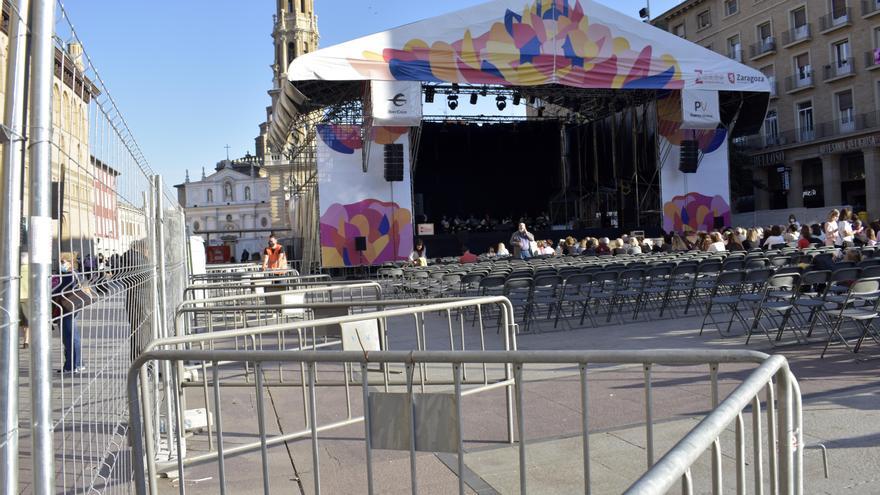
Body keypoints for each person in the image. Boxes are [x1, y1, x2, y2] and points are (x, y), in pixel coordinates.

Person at [52, 257, 82, 373]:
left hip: (66, 308)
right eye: (60, 262)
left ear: (71, 262)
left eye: (63, 262)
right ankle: (78, 363)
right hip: (73, 306)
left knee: (69, 337)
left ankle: (71, 365)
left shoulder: (68, 275)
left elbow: (57, 289)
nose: (61, 264)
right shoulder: (76, 273)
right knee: (73, 336)